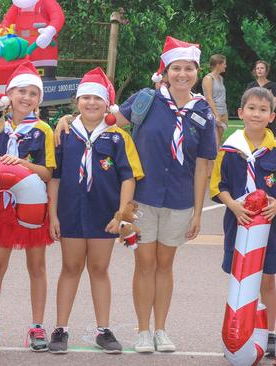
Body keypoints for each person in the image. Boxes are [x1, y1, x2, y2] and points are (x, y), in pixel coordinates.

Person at [53, 36, 217, 353]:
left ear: (196, 72)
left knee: (165, 265)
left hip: (180, 200)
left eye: (188, 68)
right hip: (143, 199)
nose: (182, 74)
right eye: (176, 68)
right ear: (166, 71)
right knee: (144, 264)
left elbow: (202, 167)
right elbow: (107, 119)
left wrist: (197, 212)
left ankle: (161, 330)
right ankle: (143, 331)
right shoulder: (146, 100)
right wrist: (68, 118)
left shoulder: (203, 113)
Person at [47, 67, 143, 354]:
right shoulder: (63, 133)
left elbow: (128, 177)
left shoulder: (117, 137)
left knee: (99, 269)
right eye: (85, 98)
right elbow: (55, 176)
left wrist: (123, 216)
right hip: (71, 212)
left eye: (97, 99)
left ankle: (103, 330)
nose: (91, 103)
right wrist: (52, 215)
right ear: (77, 102)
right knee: (70, 267)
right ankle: (60, 328)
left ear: (107, 105)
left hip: (105, 216)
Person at [209, 87, 276, 357]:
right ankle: (238, 331)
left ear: (271, 116)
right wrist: (233, 205)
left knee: (267, 279)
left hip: (268, 226)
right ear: (240, 112)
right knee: (240, 279)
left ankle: (268, 333)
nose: (256, 114)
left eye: (263, 110)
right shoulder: (229, 149)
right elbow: (218, 185)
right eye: (252, 108)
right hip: (238, 222)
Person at [0, 61, 55, 352]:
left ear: (39, 99)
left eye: (33, 93)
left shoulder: (43, 130)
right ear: (9, 93)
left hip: (32, 208)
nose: (27, 97)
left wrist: (21, 164)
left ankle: (37, 326)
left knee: (37, 266)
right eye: (22, 91)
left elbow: (48, 173)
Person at [246, 60, 276, 137]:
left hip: (269, 117)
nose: (259, 70)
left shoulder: (273, 85)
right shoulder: (251, 85)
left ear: (266, 70)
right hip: (254, 118)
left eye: (262, 68)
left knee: (274, 142)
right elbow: (247, 102)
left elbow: (274, 102)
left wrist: (267, 115)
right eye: (257, 68)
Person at [202, 54, 228, 146]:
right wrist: (217, 115)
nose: (225, 66)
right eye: (224, 64)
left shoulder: (221, 78)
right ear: (218, 64)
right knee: (213, 144)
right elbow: (208, 98)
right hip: (214, 113)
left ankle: (216, 160)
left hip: (223, 111)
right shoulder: (208, 78)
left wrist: (224, 114)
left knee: (218, 144)